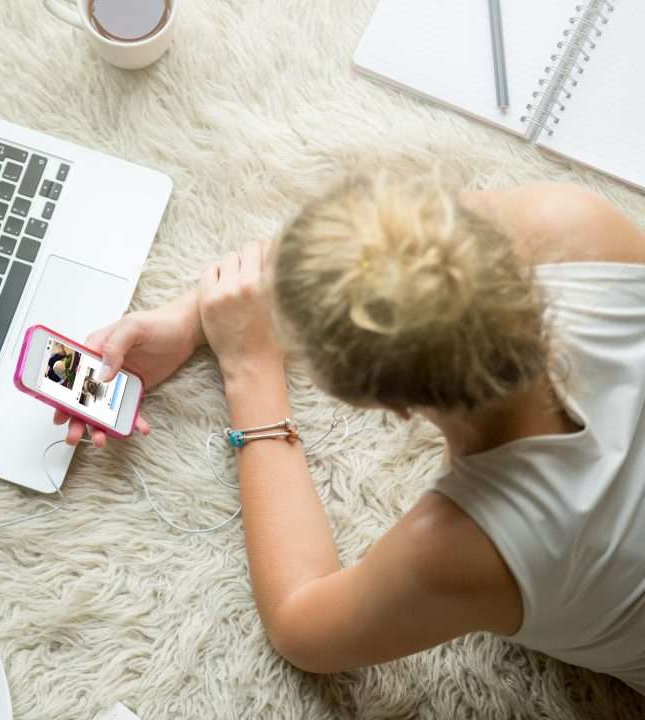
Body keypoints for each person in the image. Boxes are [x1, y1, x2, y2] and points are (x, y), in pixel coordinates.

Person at [54, 170, 645, 694]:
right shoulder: (582, 226)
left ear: (384, 403)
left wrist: (249, 366)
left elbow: (298, 623)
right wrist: (191, 318)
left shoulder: (468, 544)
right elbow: (405, 237)